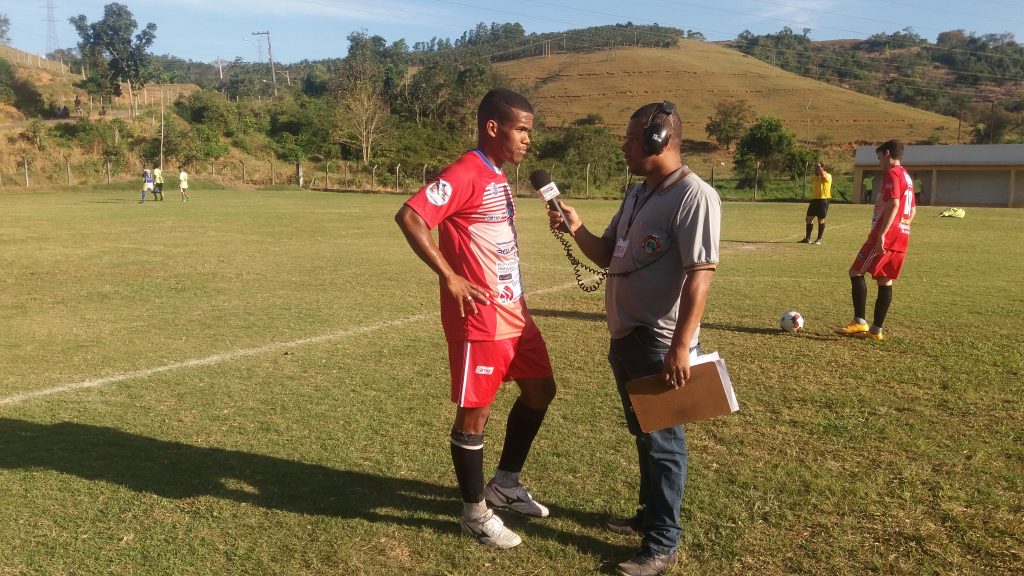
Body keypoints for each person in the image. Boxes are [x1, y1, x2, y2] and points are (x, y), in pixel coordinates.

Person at [548, 101, 721, 576]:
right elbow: (607, 254)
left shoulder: (694, 195)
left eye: (629, 139)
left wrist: (681, 346)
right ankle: (648, 517)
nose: (623, 147)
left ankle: (662, 543)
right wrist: (575, 227)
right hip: (625, 337)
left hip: (658, 341)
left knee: (663, 443)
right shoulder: (638, 194)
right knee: (644, 436)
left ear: (659, 141)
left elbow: (700, 275)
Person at [394, 88, 556, 550]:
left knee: (541, 389)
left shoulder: (498, 174)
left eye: (529, 131)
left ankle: (505, 482)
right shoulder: (465, 171)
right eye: (521, 129)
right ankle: (474, 514)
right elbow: (411, 216)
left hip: (515, 313)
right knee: (474, 416)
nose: (528, 139)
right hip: (481, 317)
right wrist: (450, 277)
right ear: (493, 127)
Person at [835, 139, 917, 341]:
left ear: (887, 153)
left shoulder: (892, 173)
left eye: (879, 156)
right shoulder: (907, 176)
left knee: (856, 271)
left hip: (886, 234)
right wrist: (902, 227)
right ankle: (876, 330)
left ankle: (859, 322)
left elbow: (894, 204)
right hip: (903, 234)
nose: (879, 161)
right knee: (885, 280)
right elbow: (912, 209)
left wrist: (882, 233)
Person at [799, 162, 831, 244]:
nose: (816, 170)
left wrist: (819, 167)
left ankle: (819, 239)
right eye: (816, 168)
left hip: (823, 200)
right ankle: (807, 238)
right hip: (814, 200)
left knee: (821, 219)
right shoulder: (815, 177)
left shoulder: (828, 175)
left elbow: (823, 177)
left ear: (822, 168)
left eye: (818, 168)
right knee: (808, 219)